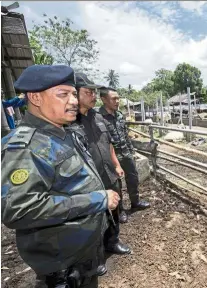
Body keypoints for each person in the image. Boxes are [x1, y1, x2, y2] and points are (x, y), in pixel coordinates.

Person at [1, 65, 120, 288]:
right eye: (63, 94)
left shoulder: (62, 133)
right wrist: (98, 199)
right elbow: (19, 209)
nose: (74, 101)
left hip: (82, 253)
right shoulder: (25, 146)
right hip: (62, 266)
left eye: (74, 94)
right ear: (35, 97)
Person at [73, 73, 131, 270]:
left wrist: (116, 164)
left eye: (94, 92)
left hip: (108, 173)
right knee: (92, 218)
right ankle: (94, 256)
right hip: (87, 180)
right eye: (88, 92)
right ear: (75, 94)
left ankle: (112, 242)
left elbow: (109, 144)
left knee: (113, 210)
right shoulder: (69, 121)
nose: (93, 96)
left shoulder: (98, 117)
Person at [99, 87, 150, 221]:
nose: (117, 101)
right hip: (111, 156)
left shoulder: (119, 115)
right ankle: (120, 210)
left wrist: (131, 150)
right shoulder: (98, 118)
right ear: (103, 99)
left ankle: (135, 202)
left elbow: (125, 135)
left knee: (133, 177)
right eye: (113, 99)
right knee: (116, 184)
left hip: (125, 152)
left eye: (118, 98)